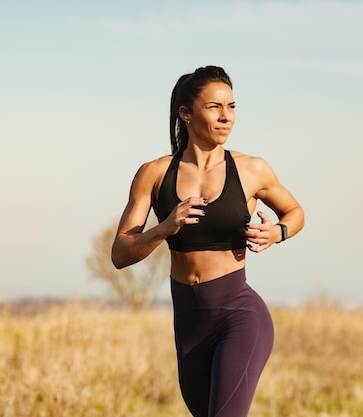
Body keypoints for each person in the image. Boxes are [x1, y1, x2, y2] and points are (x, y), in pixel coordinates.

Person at [111, 65, 304, 417]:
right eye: (215, 107)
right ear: (186, 113)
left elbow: (294, 211)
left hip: (239, 316)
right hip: (189, 324)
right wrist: (164, 228)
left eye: (231, 106)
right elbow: (120, 253)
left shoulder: (251, 169)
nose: (226, 116)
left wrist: (278, 232)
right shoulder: (154, 174)